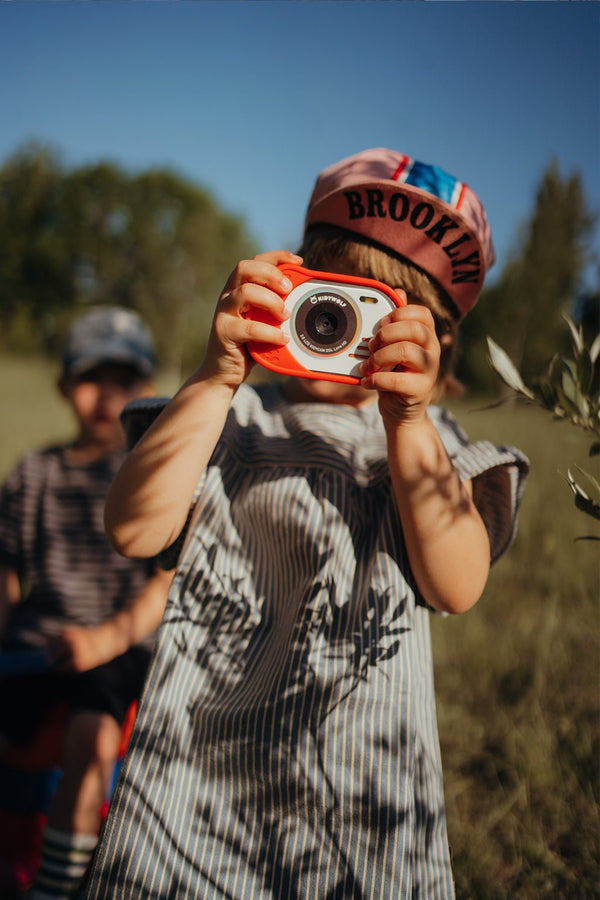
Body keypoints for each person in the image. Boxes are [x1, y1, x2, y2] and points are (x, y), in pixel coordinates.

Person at [82, 149, 529, 899]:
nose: (342, 324)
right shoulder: (230, 419)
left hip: (361, 818)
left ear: (434, 345)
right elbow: (131, 528)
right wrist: (215, 374)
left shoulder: (436, 450)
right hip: (187, 802)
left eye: (379, 313)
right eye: (330, 292)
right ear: (290, 278)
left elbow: (456, 585)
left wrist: (409, 420)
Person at [0, 307, 173, 899]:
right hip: (33, 648)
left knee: (93, 738)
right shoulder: (34, 473)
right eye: (91, 377)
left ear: (147, 392)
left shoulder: (149, 477)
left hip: (117, 648)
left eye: (124, 380)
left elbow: (163, 585)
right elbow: (7, 573)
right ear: (64, 386)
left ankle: (60, 885)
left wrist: (103, 641)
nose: (107, 395)